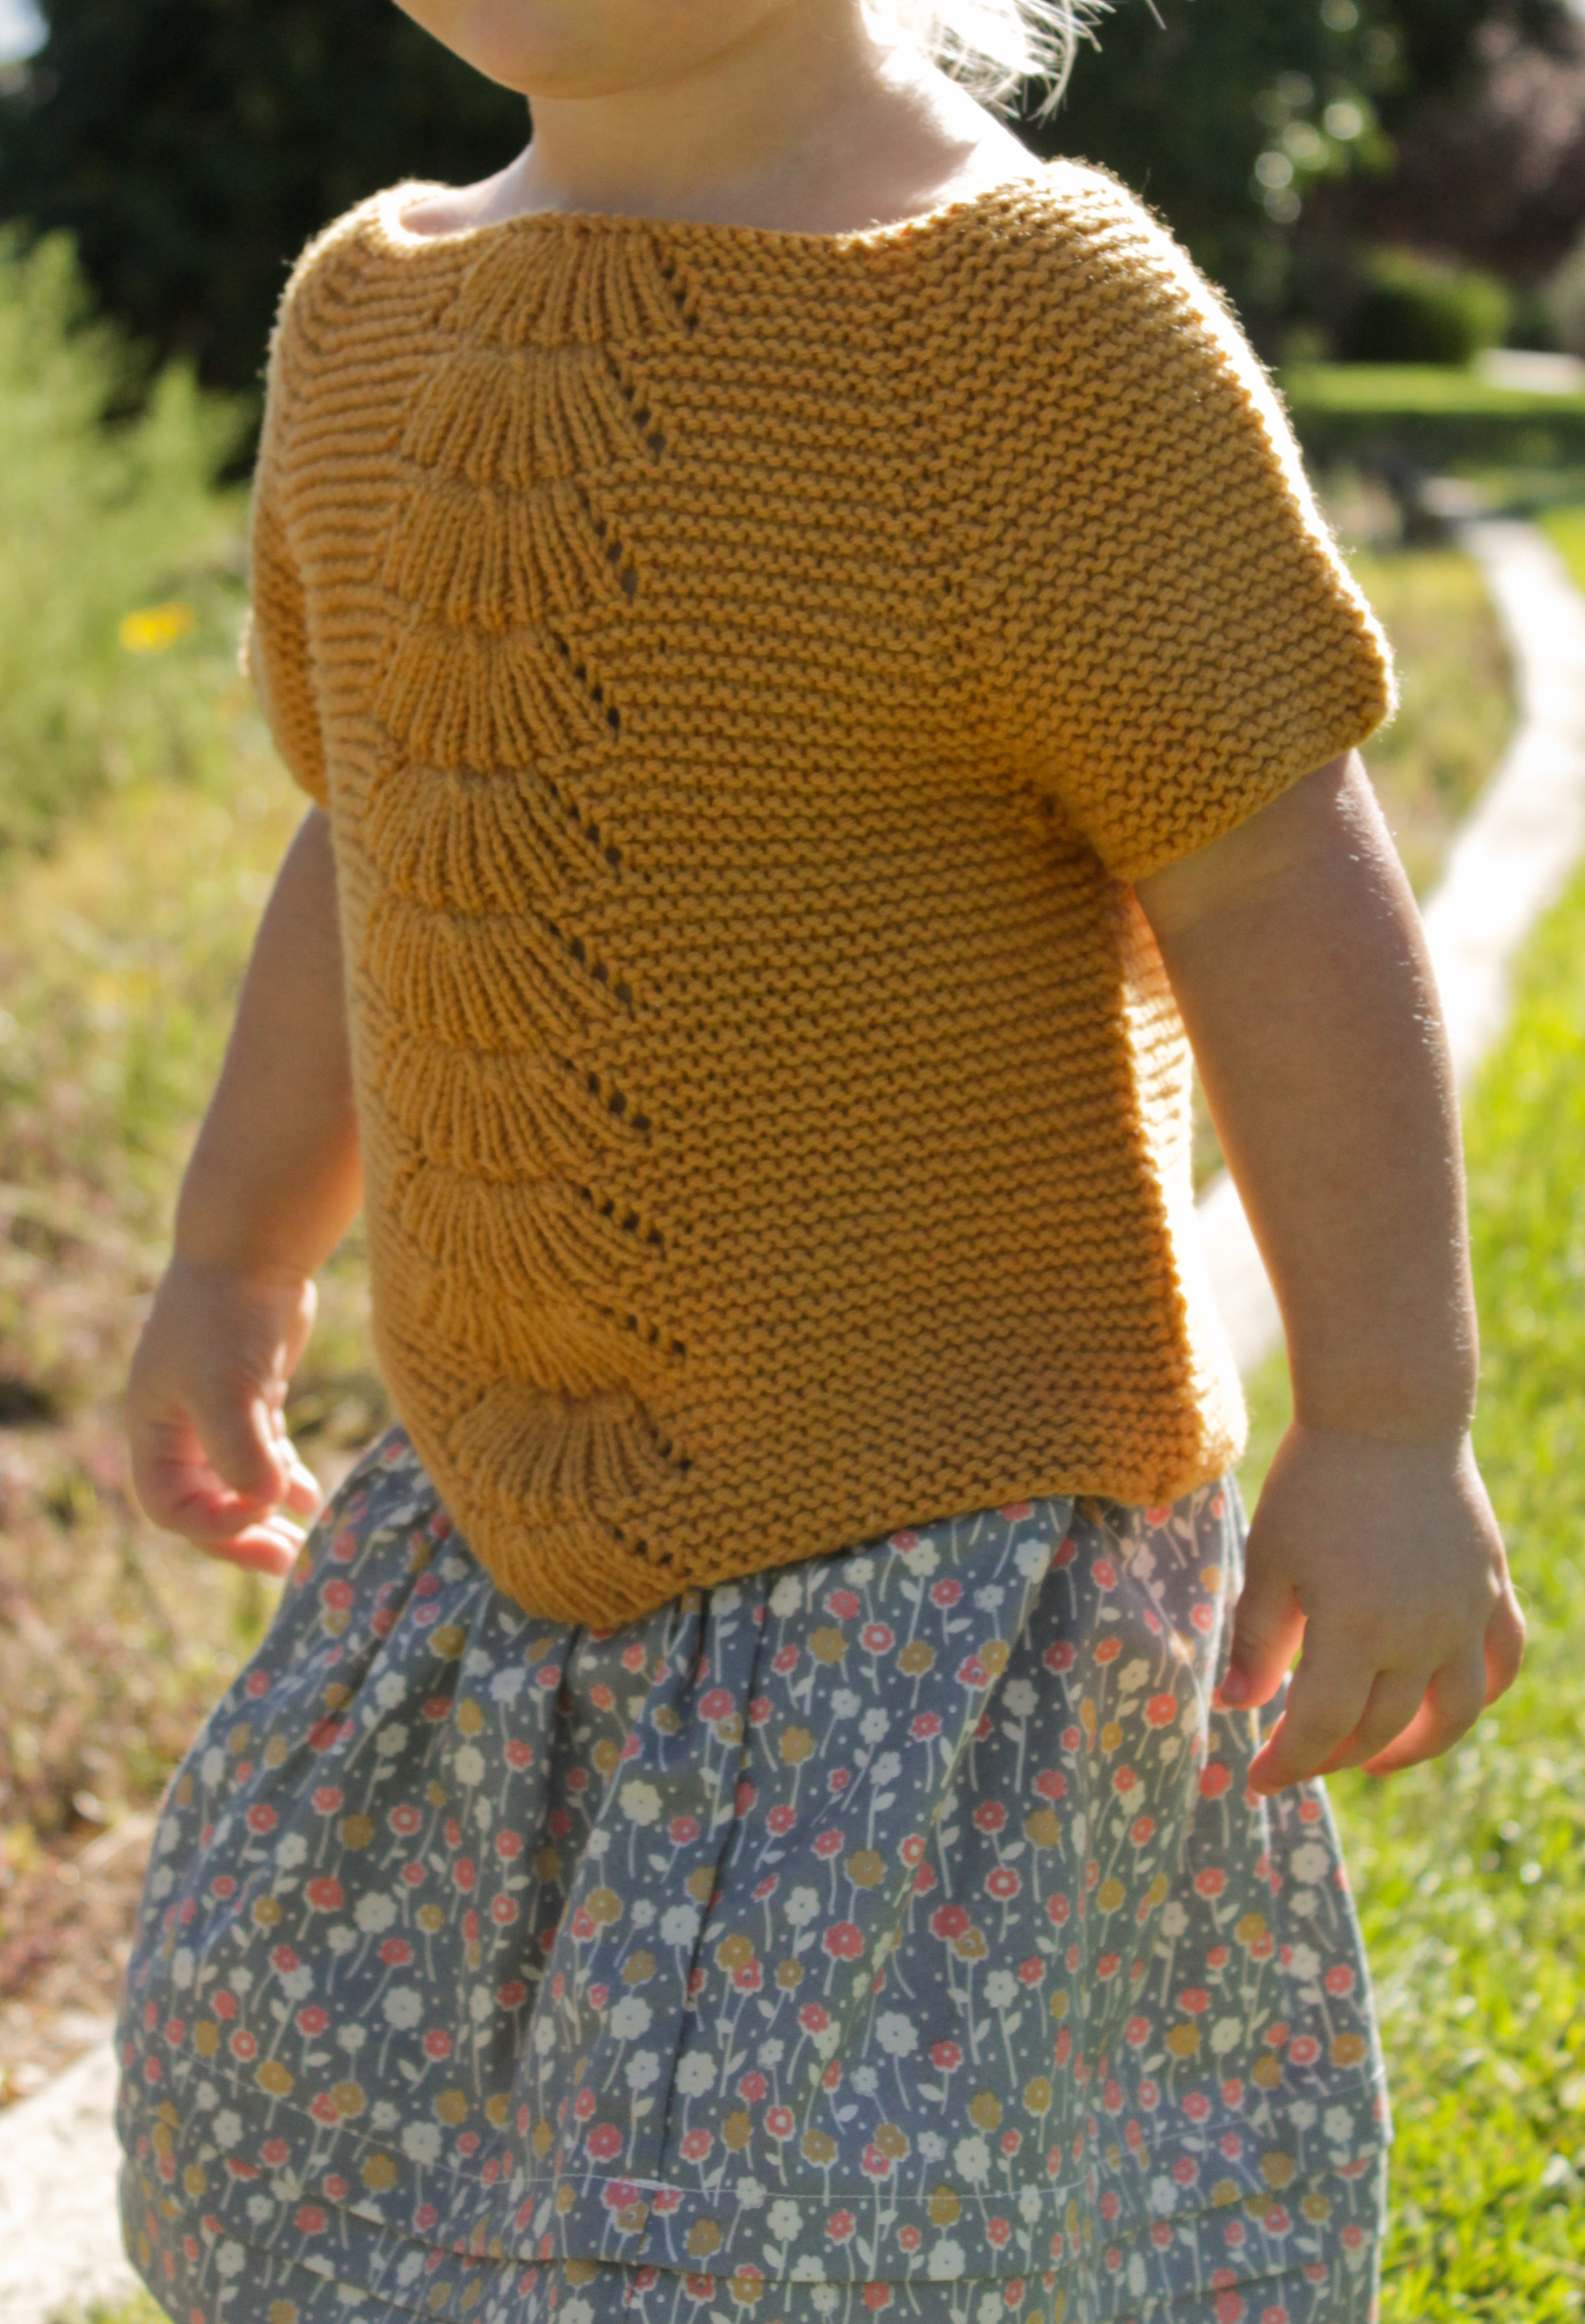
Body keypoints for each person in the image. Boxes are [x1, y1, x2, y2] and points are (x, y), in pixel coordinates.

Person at [115, 3, 1525, 2319]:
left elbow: (1274, 870)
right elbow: (374, 823)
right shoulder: (368, 310)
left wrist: (1385, 1426)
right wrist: (232, 1253)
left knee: (871, 2235)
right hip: (487, 1543)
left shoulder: (1020, 318)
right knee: (276, 2128)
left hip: (932, 1585)